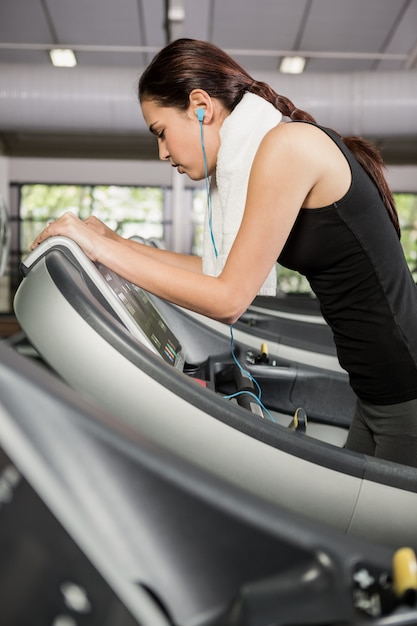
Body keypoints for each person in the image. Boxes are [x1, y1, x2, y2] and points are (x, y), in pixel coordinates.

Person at [31, 38, 417, 467]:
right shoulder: (270, 146)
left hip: (407, 391)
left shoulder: (285, 148)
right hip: (376, 390)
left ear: (201, 106)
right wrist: (113, 243)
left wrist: (100, 249)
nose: (162, 153)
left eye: (161, 133)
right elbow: (220, 271)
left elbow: (228, 298)